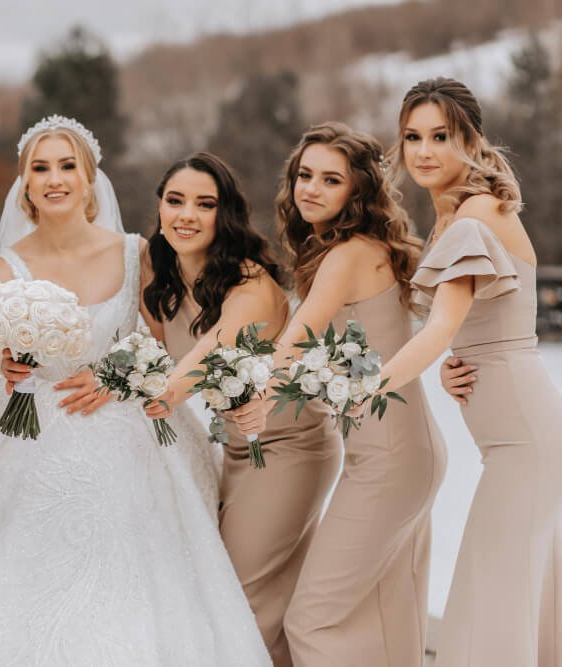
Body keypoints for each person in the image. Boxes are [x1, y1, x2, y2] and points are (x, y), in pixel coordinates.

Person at [0, 116, 271, 666]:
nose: (54, 178)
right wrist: (9, 363)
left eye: (67, 167)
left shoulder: (138, 253)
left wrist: (119, 377)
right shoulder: (5, 266)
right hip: (29, 429)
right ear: (25, 184)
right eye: (40, 168)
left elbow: (163, 345)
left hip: (126, 424)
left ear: (89, 180)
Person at [380, 77, 562, 666]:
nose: (424, 151)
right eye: (412, 136)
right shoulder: (451, 220)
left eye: (441, 136)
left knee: (495, 587)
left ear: (472, 140)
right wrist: (456, 366)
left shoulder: (473, 216)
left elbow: (436, 330)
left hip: (522, 440)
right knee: (511, 587)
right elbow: (474, 330)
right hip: (511, 431)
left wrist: (366, 386)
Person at [140, 152, 342, 665]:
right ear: (159, 208)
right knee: (268, 603)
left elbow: (199, 365)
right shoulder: (162, 280)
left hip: (291, 447)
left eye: (204, 204)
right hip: (236, 450)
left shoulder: (250, 284)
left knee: (236, 594)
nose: (186, 214)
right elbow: (152, 353)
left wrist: (134, 393)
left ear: (224, 214)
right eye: (175, 200)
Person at [270, 122, 446, 666]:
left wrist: (238, 389)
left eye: (331, 180)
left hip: (391, 458)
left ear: (357, 191)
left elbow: (292, 344)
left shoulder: (347, 254)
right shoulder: (360, 248)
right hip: (401, 450)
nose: (311, 189)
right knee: (390, 616)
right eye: (305, 175)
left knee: (312, 619)